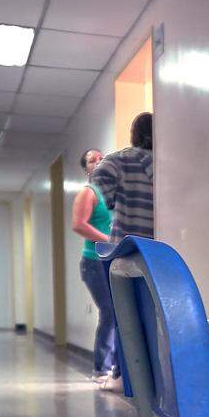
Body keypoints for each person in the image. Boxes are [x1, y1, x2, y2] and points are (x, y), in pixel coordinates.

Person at [91, 112, 153, 393]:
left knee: (125, 317)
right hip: (159, 253)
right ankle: (152, 381)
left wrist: (114, 200)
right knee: (153, 316)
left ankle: (124, 379)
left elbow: (98, 182)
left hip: (126, 249)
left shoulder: (121, 160)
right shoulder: (169, 164)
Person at [71, 149, 117, 386]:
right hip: (94, 262)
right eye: (92, 160)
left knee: (121, 312)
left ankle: (120, 371)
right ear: (86, 169)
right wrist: (108, 240)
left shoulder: (116, 191)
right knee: (110, 311)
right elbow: (78, 225)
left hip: (115, 260)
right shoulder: (89, 193)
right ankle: (102, 369)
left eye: (101, 157)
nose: (98, 161)